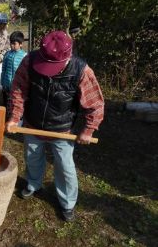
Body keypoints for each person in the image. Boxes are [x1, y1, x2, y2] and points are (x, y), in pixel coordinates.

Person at [6, 30, 104, 222]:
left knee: (65, 167)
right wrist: (14, 117)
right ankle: (34, 184)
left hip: (63, 128)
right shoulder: (30, 61)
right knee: (32, 157)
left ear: (68, 56)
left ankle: (67, 202)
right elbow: (18, 90)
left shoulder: (81, 70)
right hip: (33, 124)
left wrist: (89, 129)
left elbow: (95, 103)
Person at [0, 31, 26, 114]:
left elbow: (25, 73)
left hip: (18, 87)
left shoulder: (24, 56)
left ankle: (16, 120)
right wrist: (2, 82)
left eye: (14, 43)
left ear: (21, 44)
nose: (12, 45)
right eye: (11, 43)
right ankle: (6, 119)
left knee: (16, 105)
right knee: (6, 104)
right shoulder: (7, 54)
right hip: (7, 85)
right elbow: (3, 69)